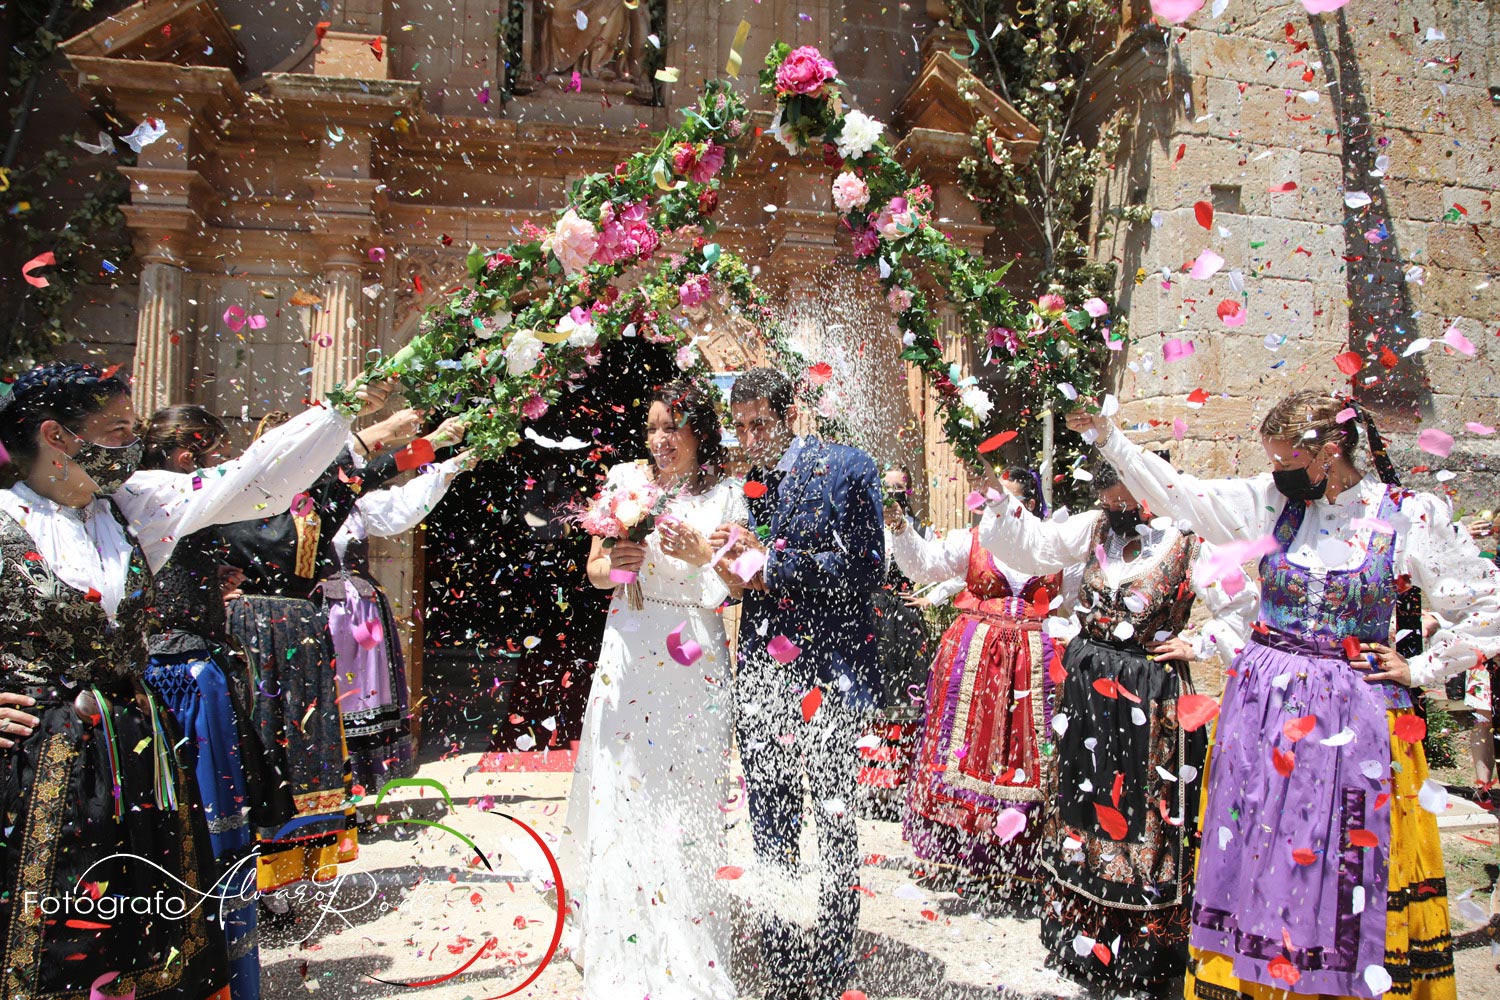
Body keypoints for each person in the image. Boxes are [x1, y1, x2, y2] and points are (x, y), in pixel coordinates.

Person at [1070, 390, 1500, 1000]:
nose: (1274, 472)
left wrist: (1422, 668)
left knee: (1342, 862)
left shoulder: (1408, 515)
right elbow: (1181, 494)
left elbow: (1488, 601)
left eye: (1283, 460)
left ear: (1329, 452)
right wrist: (1110, 439)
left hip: (1355, 720)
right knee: (1263, 854)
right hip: (1265, 714)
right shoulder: (1271, 501)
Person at [0, 361, 388, 1000]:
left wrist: (342, 409)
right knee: (54, 924)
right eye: (117, 428)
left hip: (135, 748)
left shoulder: (133, 507)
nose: (133, 441)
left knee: (148, 920)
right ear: (58, 436)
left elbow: (254, 479)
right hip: (37, 757)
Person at [978, 460, 1257, 988]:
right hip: (1087, 686)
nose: (1108, 505)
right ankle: (1083, 939)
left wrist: (1200, 642)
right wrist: (998, 502)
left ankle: (1143, 949)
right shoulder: (1094, 526)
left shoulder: (1190, 540)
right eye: (1104, 495)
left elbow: (1241, 603)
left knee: (1143, 809)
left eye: (1117, 495)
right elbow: (1036, 546)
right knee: (1081, 805)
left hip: (1148, 693)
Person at [211, 411, 461, 900]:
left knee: (306, 745)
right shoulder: (228, 496)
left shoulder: (313, 503)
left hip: (301, 635)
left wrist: (436, 446)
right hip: (252, 638)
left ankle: (289, 868)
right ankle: (250, 863)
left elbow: (366, 475)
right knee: (260, 742)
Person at [559, 378, 749, 999]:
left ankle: (684, 932)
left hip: (691, 650)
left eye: (672, 426)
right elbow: (592, 569)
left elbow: (743, 585)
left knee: (683, 795)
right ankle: (617, 928)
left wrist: (703, 555)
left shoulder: (728, 495)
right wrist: (617, 565)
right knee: (623, 788)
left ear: (700, 431)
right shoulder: (625, 481)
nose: (660, 439)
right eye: (652, 427)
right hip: (628, 645)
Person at [710, 366, 884, 1000]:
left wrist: (773, 568)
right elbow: (732, 580)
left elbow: (868, 570)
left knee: (833, 817)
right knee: (770, 819)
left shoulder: (848, 467)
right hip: (761, 669)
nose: (752, 437)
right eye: (741, 426)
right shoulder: (739, 490)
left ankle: (835, 958)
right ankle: (783, 964)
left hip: (830, 675)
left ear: (789, 416)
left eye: (761, 423)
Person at [888, 464, 1076, 898]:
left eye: (1000, 498)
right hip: (974, 663)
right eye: (987, 498)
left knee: (1028, 756)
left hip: (1034, 665)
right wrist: (899, 525)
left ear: (1026, 505)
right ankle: (964, 854)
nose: (990, 506)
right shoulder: (970, 541)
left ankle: (1023, 860)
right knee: (968, 751)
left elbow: (1071, 607)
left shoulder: (1056, 546)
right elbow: (924, 565)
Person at [323, 438, 475, 793]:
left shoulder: (359, 508)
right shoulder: (289, 507)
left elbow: (402, 504)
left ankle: (360, 780)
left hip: (359, 615)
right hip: (317, 615)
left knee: (363, 694)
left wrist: (453, 466)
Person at [856, 466, 945, 820]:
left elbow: (936, 569)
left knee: (908, 698)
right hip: (872, 621)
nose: (892, 495)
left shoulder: (920, 532)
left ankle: (904, 783)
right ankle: (872, 782)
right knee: (875, 697)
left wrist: (930, 599)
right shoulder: (866, 528)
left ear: (907, 492)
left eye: (899, 489)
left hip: (906, 624)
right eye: (886, 489)